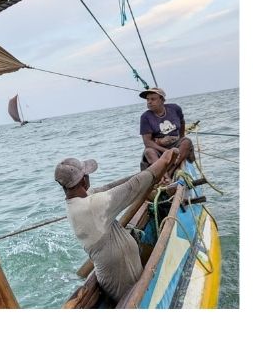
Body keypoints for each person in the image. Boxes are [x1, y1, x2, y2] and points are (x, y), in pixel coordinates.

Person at [58, 148, 182, 301]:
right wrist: (163, 160)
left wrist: (154, 173)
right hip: (119, 280)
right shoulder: (92, 205)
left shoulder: (81, 200)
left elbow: (115, 186)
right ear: (84, 180)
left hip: (122, 271)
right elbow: (132, 187)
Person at [138, 87, 194, 167]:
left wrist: (181, 137)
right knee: (148, 152)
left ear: (162, 100)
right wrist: (166, 151)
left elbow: (182, 122)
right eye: (147, 100)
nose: (149, 102)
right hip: (158, 147)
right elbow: (147, 142)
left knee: (186, 141)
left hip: (175, 143)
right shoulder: (145, 117)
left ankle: (172, 168)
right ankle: (164, 175)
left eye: (153, 99)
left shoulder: (175, 109)